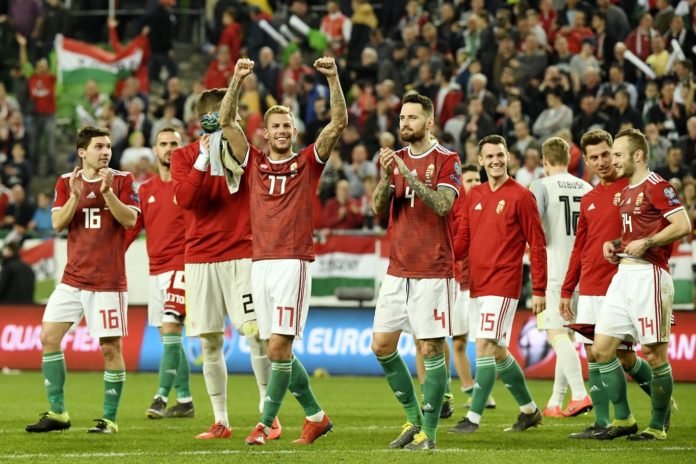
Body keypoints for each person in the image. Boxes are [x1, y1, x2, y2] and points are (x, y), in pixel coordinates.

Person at [218, 57, 347, 446]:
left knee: (279, 345)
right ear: (265, 132)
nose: (281, 131)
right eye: (275, 126)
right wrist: (237, 79)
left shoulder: (307, 162)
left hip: (293, 261)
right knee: (275, 349)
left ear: (294, 130)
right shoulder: (254, 162)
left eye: (287, 125)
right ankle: (316, 417)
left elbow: (337, 123)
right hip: (260, 263)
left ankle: (264, 423)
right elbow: (227, 122)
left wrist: (333, 78)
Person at [170, 89, 276, 440]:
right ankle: (221, 421)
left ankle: (268, 416)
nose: (240, 120)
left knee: (256, 335)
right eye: (233, 114)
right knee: (210, 343)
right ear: (211, 119)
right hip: (200, 260)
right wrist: (203, 159)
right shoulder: (184, 156)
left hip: (242, 255)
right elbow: (186, 199)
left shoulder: (244, 152)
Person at [26, 126, 140, 434]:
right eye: (99, 147)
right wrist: (75, 196)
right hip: (72, 279)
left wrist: (108, 193)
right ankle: (58, 413)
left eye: (108, 146)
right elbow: (57, 223)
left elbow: (131, 220)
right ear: (82, 152)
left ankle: (109, 419)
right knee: (48, 337)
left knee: (110, 348)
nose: (106, 152)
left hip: (107, 281)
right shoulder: (66, 182)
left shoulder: (123, 180)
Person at [369, 93, 460, 451]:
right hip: (398, 269)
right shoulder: (396, 159)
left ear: (429, 122)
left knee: (430, 347)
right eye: (402, 118)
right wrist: (385, 177)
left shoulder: (447, 159)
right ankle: (413, 419)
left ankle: (429, 434)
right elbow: (378, 207)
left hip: (433, 270)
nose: (405, 123)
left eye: (412, 117)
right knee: (381, 345)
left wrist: (406, 173)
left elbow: (443, 205)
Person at [594, 128, 691, 441]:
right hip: (623, 276)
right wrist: (615, 244)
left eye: (618, 154)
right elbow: (632, 236)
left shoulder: (657, 186)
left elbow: (683, 224)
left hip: (650, 276)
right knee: (601, 350)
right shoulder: (626, 192)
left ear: (638, 155)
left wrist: (648, 242)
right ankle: (624, 418)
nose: (613, 160)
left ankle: (658, 425)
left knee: (653, 353)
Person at [561, 129, 658, 439]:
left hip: (619, 284)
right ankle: (603, 422)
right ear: (586, 161)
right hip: (589, 285)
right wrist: (567, 289)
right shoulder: (589, 198)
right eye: (594, 157)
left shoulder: (632, 189)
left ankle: (661, 404)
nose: (602, 161)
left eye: (606, 154)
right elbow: (579, 246)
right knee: (593, 354)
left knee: (625, 357)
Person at [451, 134, 546, 434]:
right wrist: (444, 261)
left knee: (484, 346)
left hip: (503, 283)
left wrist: (540, 289)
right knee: (499, 351)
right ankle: (529, 411)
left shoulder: (521, 196)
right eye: (489, 156)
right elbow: (463, 239)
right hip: (476, 285)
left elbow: (537, 244)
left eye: (500, 155)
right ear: (480, 161)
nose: (495, 161)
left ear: (508, 157)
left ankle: (473, 418)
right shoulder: (474, 195)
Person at [125, 127, 194, 420]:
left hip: (182, 267)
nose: (169, 148)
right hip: (156, 271)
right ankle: (186, 400)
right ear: (154, 150)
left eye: (174, 144)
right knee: (169, 338)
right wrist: (113, 255)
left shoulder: (189, 187)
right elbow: (132, 230)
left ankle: (160, 397)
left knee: (171, 330)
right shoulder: (146, 190)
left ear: (182, 148)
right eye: (163, 144)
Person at [530, 137, 592, 418]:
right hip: (583, 273)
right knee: (566, 336)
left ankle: (579, 394)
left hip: (554, 272)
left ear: (544, 161)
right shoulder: (587, 187)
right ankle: (555, 401)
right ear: (569, 160)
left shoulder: (541, 186)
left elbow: (533, 228)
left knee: (555, 334)